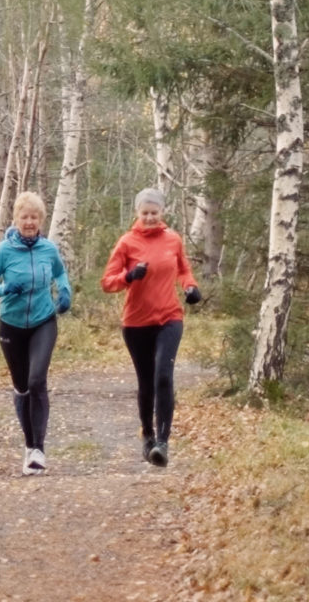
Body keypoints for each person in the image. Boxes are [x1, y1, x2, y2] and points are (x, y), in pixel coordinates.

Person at [101, 187, 201, 466]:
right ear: (137, 213)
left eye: (154, 213)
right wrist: (129, 276)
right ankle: (147, 436)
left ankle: (163, 443)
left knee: (164, 377)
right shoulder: (126, 243)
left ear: (162, 213)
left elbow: (183, 269)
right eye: (144, 213)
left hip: (169, 317)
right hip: (136, 323)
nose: (149, 217)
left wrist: (190, 287)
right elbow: (107, 282)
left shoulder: (173, 239)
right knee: (146, 382)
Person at [0, 190, 72, 475]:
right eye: (24, 217)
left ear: (41, 220)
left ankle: (38, 449)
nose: (29, 222)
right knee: (22, 387)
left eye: (34, 217)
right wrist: (4, 289)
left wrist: (64, 291)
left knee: (37, 379)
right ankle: (29, 446)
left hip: (43, 320)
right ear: (16, 219)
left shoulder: (48, 249)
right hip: (12, 325)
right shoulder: (4, 251)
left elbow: (60, 272)